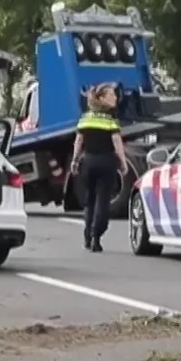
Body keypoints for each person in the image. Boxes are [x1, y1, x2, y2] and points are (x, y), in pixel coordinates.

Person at [69, 83, 128, 252]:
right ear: (101, 98)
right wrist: (123, 163)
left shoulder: (85, 118)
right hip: (106, 162)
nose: (115, 97)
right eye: (111, 95)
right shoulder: (111, 121)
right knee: (103, 201)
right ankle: (97, 236)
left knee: (90, 200)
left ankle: (87, 234)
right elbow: (117, 143)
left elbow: (78, 141)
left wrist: (74, 160)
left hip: (88, 162)